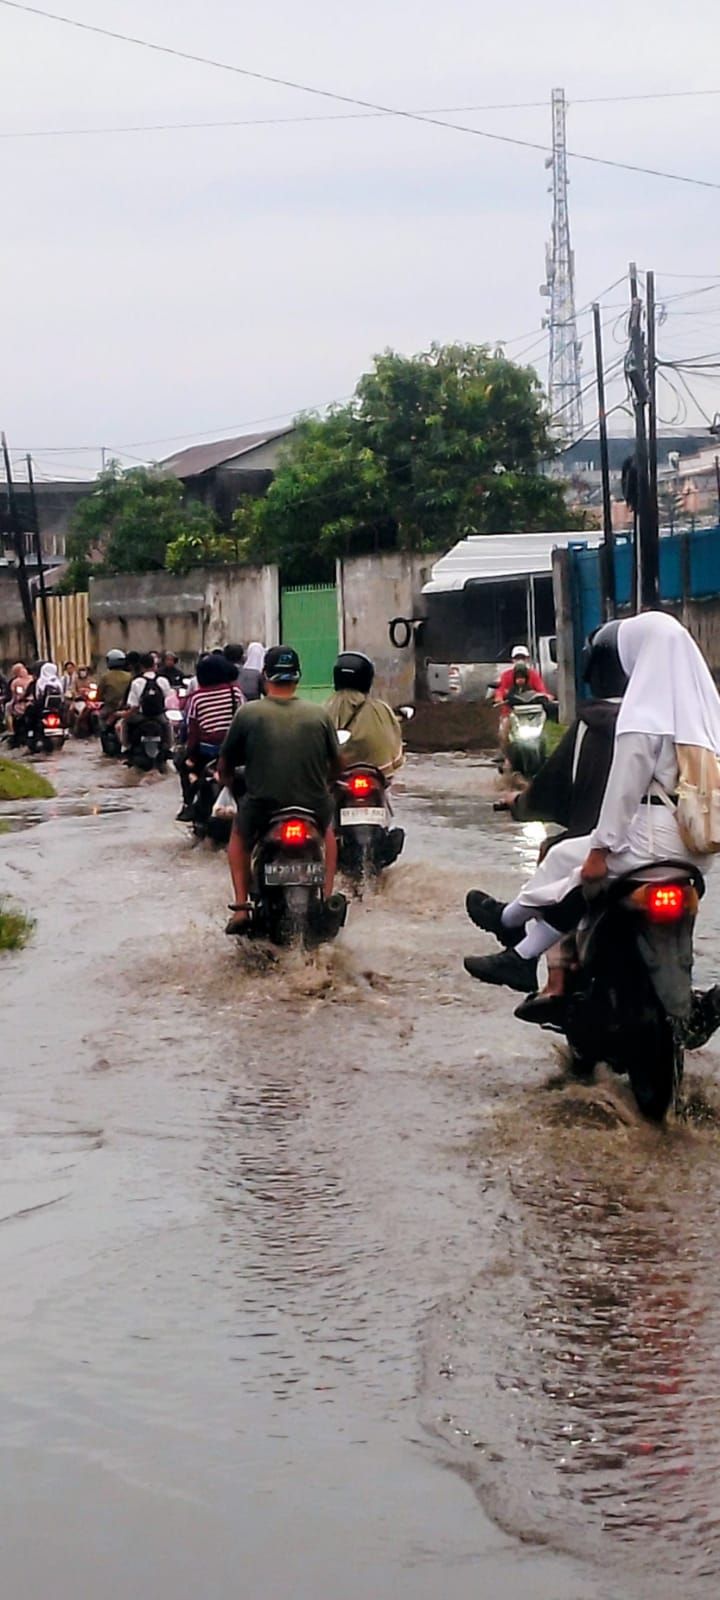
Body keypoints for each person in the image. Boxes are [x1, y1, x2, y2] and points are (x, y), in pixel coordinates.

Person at [465, 612, 720, 994]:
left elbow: (622, 793)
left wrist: (602, 849)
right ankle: (513, 929)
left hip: (654, 840)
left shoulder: (643, 715)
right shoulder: (702, 713)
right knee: (568, 861)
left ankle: (520, 949)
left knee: (577, 867)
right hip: (698, 849)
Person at [467, 624, 627, 1015]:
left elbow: (553, 787)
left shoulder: (595, 725)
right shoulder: (672, 722)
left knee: (559, 862)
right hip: (677, 851)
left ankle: (552, 978)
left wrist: (521, 805)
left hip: (614, 842)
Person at [218, 645, 341, 934]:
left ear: (265, 677)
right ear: (297, 677)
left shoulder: (248, 714)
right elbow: (337, 765)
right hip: (312, 804)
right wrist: (326, 784)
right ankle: (327, 895)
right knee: (327, 832)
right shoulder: (319, 715)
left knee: (238, 835)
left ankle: (240, 907)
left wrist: (225, 779)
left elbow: (226, 764)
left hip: (263, 806)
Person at [175, 653, 245, 820]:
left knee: (181, 763)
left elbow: (193, 731)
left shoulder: (197, 698)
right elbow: (245, 721)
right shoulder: (235, 692)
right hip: (236, 751)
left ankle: (188, 804)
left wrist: (190, 756)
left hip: (207, 752)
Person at [325, 651, 404, 777]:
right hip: (377, 774)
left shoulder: (325, 709)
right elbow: (394, 750)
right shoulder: (382, 709)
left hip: (338, 778)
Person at [122, 652, 171, 755]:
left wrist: (125, 715)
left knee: (124, 723)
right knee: (168, 724)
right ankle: (170, 747)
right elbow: (169, 701)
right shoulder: (163, 680)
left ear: (141, 666)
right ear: (154, 665)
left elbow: (134, 706)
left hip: (141, 717)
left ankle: (126, 747)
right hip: (159, 716)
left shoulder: (137, 682)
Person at [97, 650, 132, 715]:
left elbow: (99, 695)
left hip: (110, 708)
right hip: (126, 707)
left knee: (96, 715)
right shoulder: (130, 676)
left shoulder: (105, 677)